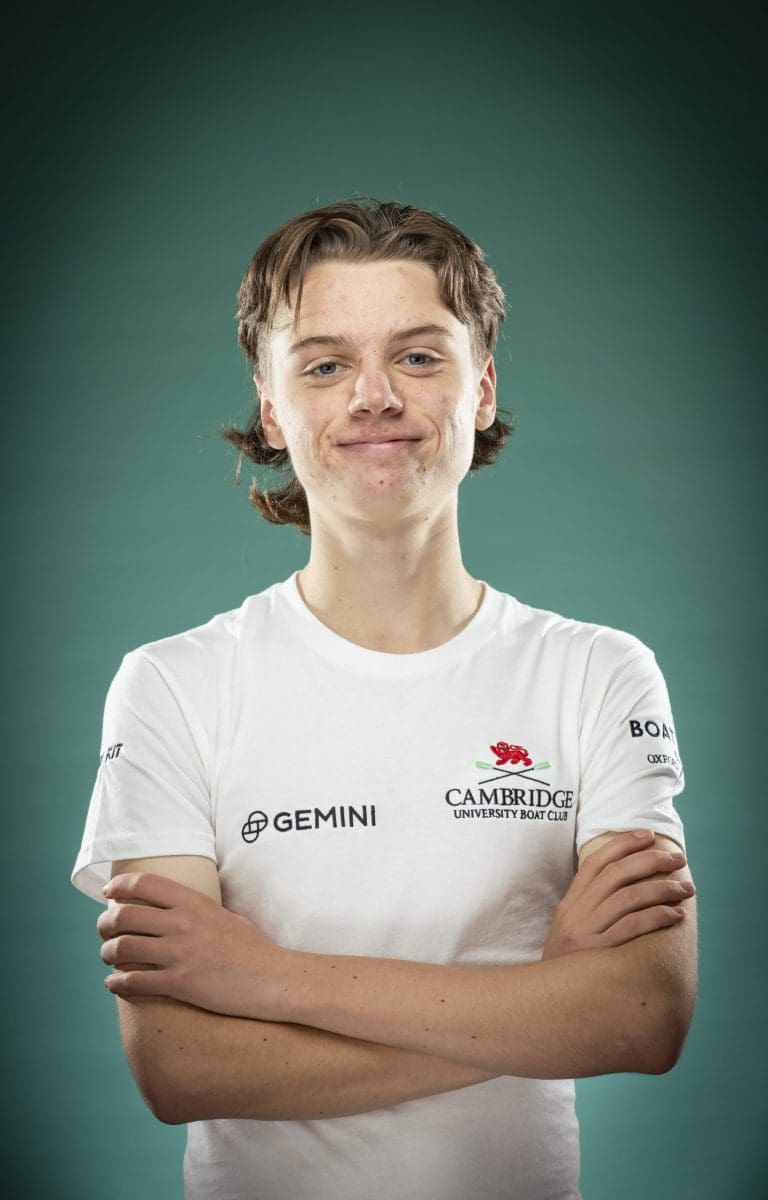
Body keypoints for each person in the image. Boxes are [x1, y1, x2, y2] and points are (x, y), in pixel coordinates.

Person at [71, 196, 697, 1200]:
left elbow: (643, 1018)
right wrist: (541, 1002)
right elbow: (181, 1068)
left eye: (418, 355)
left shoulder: (597, 674)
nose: (374, 396)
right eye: (324, 365)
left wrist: (265, 978)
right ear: (272, 408)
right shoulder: (173, 687)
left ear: (481, 388)